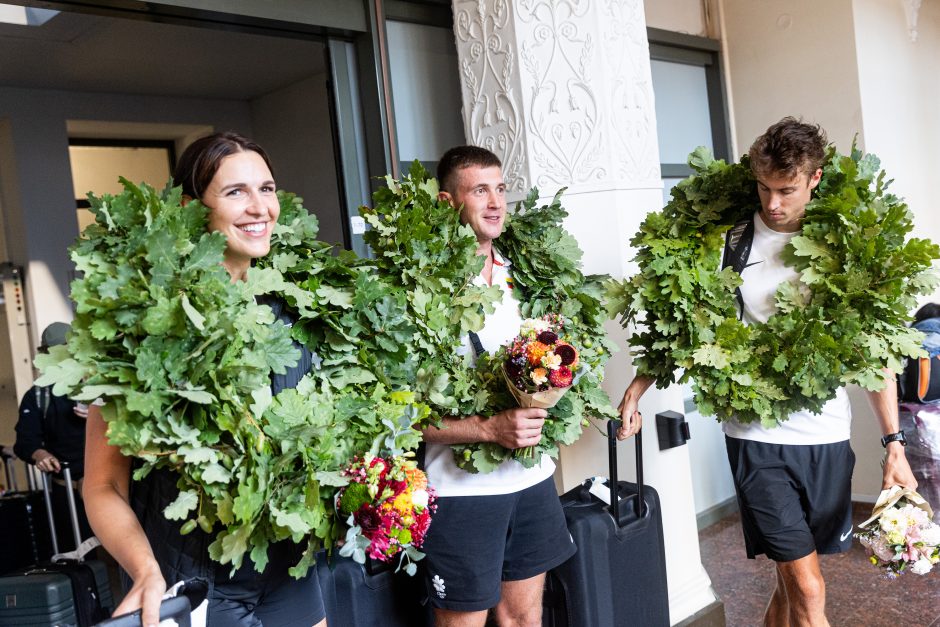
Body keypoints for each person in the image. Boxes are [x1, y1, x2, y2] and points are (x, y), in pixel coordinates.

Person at [617, 118, 917, 627]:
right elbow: (688, 323)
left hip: (824, 433)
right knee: (809, 587)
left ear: (815, 179)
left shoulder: (846, 247)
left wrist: (894, 442)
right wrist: (637, 389)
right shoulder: (730, 245)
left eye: (787, 190)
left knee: (791, 582)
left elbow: (874, 354)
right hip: (754, 434)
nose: (773, 203)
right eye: (764, 187)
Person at [83, 132, 327, 627]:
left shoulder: (293, 308)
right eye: (236, 192)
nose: (260, 207)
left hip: (288, 573)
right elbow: (103, 483)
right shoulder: (143, 324)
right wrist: (144, 569)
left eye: (267, 188)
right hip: (193, 578)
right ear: (194, 209)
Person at [419, 146, 637, 627]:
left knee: (524, 619)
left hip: (532, 481)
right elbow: (399, 417)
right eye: (480, 190)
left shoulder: (528, 277)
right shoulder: (421, 291)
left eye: (500, 189)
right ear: (445, 202)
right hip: (461, 493)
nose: (496, 202)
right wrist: (488, 428)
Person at [14, 321, 94, 546]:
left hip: (103, 482)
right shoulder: (38, 396)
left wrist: (98, 416)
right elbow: (25, 440)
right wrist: (40, 454)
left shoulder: (99, 384)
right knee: (78, 551)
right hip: (66, 488)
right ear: (46, 354)